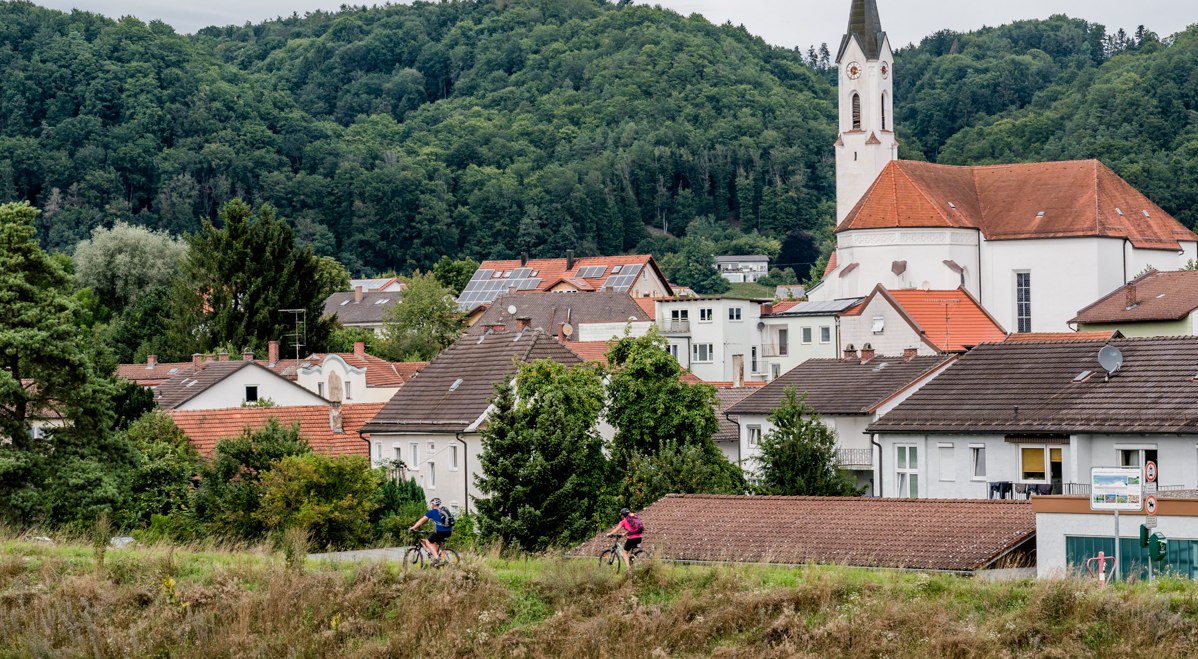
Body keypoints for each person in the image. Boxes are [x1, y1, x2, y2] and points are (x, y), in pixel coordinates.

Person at [409, 498, 452, 565]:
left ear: (433, 504)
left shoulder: (432, 512)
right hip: (449, 531)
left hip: (440, 532)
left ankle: (436, 558)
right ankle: (440, 561)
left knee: (428, 542)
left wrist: (413, 527)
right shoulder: (444, 510)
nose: (431, 505)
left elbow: (421, 521)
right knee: (436, 544)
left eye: (431, 504)